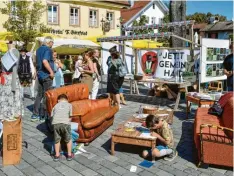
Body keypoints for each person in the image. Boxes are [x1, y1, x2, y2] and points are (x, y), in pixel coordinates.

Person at [31, 36, 55, 121]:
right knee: (47, 96)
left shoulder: (38, 49)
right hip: (47, 75)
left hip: (40, 75)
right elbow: (45, 61)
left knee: (39, 95)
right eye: (53, 42)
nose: (53, 44)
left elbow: (35, 62)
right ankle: (43, 115)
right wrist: (51, 72)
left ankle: (35, 114)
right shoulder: (48, 50)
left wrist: (36, 71)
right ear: (49, 42)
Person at [0, 41, 22, 120]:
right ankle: (5, 114)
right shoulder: (8, 52)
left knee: (10, 97)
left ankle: (9, 114)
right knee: (6, 97)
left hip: (10, 77)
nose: (7, 44)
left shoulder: (14, 51)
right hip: (6, 78)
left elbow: (12, 67)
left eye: (9, 42)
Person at [51, 94, 73, 161]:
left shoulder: (55, 106)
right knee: (68, 139)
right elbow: (70, 116)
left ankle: (57, 155)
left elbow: (52, 116)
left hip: (55, 123)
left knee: (57, 140)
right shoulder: (69, 105)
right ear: (67, 100)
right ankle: (69, 155)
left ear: (58, 100)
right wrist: (68, 122)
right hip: (65, 123)